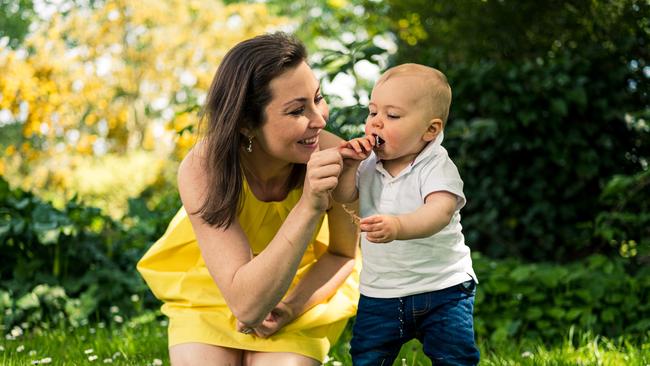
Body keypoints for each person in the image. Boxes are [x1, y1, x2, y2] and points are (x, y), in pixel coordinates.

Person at [137, 32, 360, 366]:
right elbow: (246, 304)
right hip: (214, 285)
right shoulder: (204, 167)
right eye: (298, 110)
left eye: (318, 98)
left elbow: (344, 254)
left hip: (301, 287)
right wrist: (310, 204)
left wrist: (291, 306)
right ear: (245, 123)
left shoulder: (335, 159)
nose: (320, 119)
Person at [333, 63, 480, 365]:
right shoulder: (368, 163)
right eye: (373, 112)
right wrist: (348, 167)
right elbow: (344, 196)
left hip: (443, 288)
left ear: (430, 129)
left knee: (455, 357)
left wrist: (399, 226)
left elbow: (438, 212)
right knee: (367, 356)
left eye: (393, 115)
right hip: (381, 290)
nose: (377, 123)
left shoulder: (436, 165)